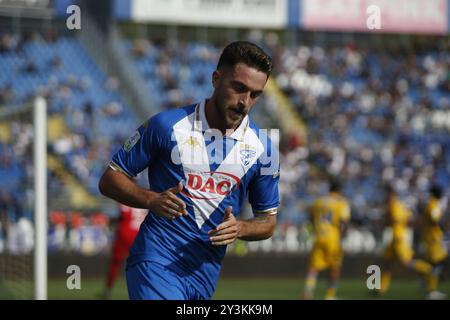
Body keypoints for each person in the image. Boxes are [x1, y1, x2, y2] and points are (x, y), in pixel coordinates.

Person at [98, 41, 280, 300]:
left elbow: (268, 221)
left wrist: (240, 228)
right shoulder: (166, 126)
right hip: (155, 260)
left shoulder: (264, 149)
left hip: (204, 276)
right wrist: (152, 199)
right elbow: (109, 179)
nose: (245, 102)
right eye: (239, 88)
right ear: (216, 79)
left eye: (255, 94)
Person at [378, 185, 445, 299]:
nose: (386, 196)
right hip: (396, 237)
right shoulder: (398, 205)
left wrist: (386, 219)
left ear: (392, 195)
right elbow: (409, 219)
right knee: (387, 263)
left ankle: (428, 270)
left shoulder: (395, 206)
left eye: (388, 194)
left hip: (399, 238)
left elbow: (392, 220)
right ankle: (381, 289)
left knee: (406, 263)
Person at [303, 179, 351, 300]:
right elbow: (343, 222)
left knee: (314, 267)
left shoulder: (319, 201)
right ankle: (330, 296)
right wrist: (343, 238)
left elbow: (311, 217)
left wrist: (314, 229)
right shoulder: (341, 202)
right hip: (333, 238)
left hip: (319, 236)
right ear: (339, 190)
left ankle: (308, 292)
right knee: (335, 267)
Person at [100, 203, 147, 299]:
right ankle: (145, 289)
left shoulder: (125, 200)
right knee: (142, 264)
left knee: (115, 263)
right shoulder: (143, 199)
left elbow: (123, 215)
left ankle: (107, 289)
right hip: (139, 233)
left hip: (125, 232)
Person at [419, 185, 448, 299]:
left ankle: (426, 283)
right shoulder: (433, 204)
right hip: (432, 239)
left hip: (434, 238)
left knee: (437, 262)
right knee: (436, 263)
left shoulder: (433, 203)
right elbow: (436, 220)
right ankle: (430, 288)